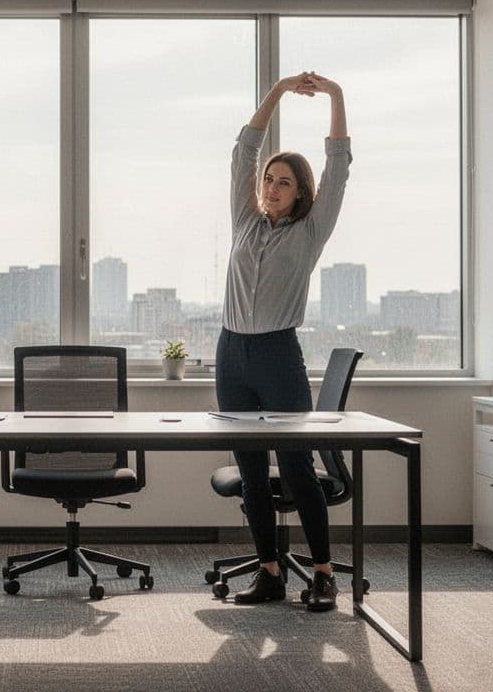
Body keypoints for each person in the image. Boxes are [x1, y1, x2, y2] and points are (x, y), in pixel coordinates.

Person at [218, 71, 350, 611]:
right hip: (232, 354)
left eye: (284, 183)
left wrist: (335, 96)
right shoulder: (244, 221)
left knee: (296, 469)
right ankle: (269, 572)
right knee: (252, 472)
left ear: (301, 194)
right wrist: (276, 91)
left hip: (277, 355)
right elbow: (242, 152)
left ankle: (322, 575)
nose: (271, 187)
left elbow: (338, 167)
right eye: (269, 179)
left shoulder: (310, 231)